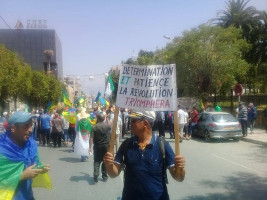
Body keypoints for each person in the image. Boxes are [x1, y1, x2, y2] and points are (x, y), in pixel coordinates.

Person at [103, 111, 186, 200]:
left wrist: (180, 168)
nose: (130, 124)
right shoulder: (126, 144)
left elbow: (179, 178)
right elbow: (113, 174)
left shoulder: (162, 145)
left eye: (133, 121)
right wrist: (109, 165)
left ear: (145, 123)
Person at [0, 111, 50, 200]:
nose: (31, 129)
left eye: (31, 125)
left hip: (28, 196)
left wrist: (40, 168)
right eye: (26, 126)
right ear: (13, 128)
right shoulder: (2, 149)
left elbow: (33, 164)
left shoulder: (31, 144)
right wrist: (21, 176)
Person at [90, 114, 111, 183]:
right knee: (105, 161)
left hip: (97, 146)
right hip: (106, 146)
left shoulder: (94, 127)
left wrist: (90, 147)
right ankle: (104, 176)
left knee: (97, 160)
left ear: (98, 119)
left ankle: (96, 174)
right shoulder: (107, 126)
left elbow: (91, 138)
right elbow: (110, 133)